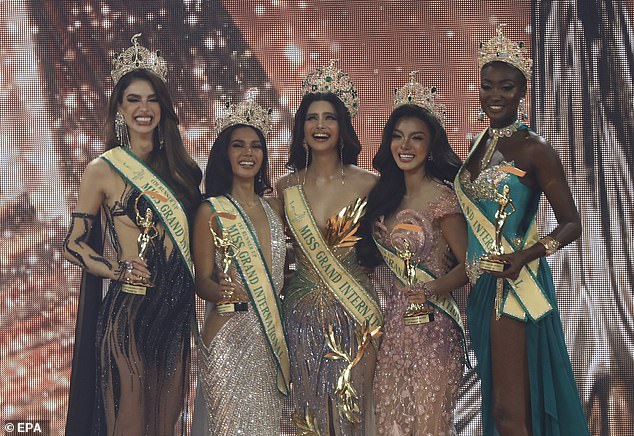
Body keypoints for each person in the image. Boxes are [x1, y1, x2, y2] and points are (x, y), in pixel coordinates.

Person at [62, 34, 202, 436]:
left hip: (175, 309)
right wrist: (115, 268)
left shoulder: (185, 170)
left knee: (167, 419)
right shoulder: (102, 169)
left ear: (163, 107)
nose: (144, 109)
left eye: (152, 99)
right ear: (120, 109)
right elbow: (73, 244)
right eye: (133, 100)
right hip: (130, 310)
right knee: (130, 419)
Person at [454, 26, 589, 435]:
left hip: (515, 285)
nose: (495, 96)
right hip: (482, 288)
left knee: (511, 412)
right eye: (487, 86)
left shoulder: (536, 150)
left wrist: (525, 256)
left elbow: (573, 223)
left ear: (522, 92)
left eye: (507, 87)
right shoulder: (480, 143)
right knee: (497, 406)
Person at [356, 74, 468, 435]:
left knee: (428, 425)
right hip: (392, 332)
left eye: (416, 138)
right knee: (391, 426)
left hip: (434, 330)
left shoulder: (445, 199)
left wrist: (432, 290)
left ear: (431, 146)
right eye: (397, 136)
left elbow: (470, 266)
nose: (405, 145)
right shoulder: (384, 198)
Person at [276, 60, 382, 435]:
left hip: (357, 315)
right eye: (312, 118)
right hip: (299, 317)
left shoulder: (371, 184)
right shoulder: (283, 188)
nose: (320, 125)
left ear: (344, 128)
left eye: (329, 118)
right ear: (301, 130)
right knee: (308, 417)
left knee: (352, 412)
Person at [191, 91, 290, 435]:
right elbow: (201, 280)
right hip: (229, 334)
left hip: (270, 336)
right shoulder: (211, 210)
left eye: (256, 146)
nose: (248, 153)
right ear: (224, 153)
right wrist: (222, 291)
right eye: (238, 145)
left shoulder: (275, 208)